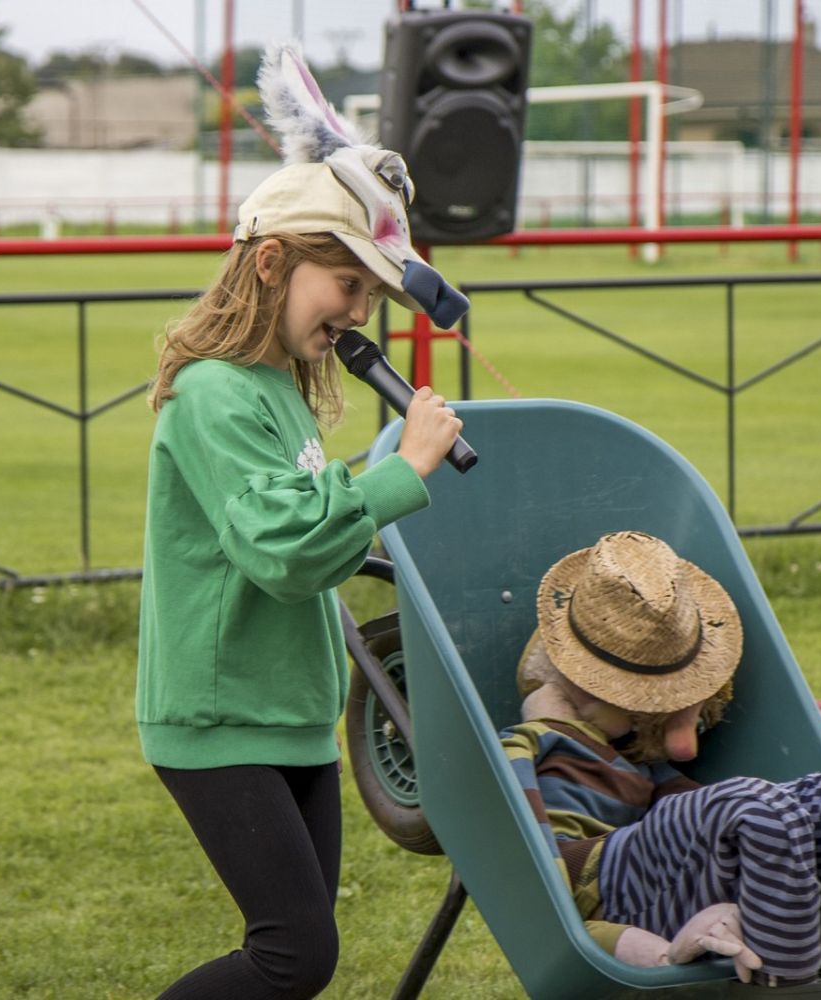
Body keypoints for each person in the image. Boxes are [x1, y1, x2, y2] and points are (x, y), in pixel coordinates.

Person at [135, 45, 467, 999]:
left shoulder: (280, 391)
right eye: (347, 285)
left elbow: (311, 523)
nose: (359, 312)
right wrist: (402, 470)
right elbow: (282, 549)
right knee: (294, 955)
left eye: (370, 295)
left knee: (297, 965)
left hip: (290, 713)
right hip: (221, 715)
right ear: (273, 262)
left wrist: (385, 522)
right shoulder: (213, 393)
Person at [503, 531, 821, 998]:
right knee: (754, 807)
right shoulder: (528, 745)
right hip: (615, 891)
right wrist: (660, 953)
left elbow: (693, 814)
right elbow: (543, 897)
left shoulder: (646, 767)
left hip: (695, 862)